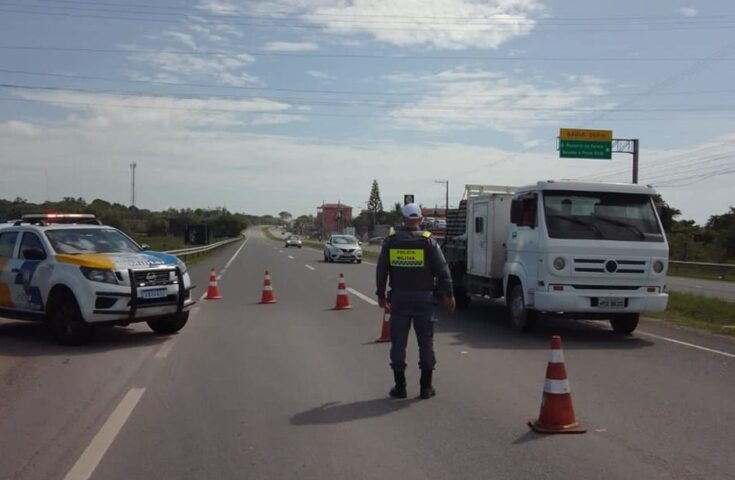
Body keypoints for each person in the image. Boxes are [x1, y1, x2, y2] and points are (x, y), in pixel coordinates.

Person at [376, 203, 455, 400]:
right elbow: (443, 270)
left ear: (403, 219)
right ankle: (425, 388)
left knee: (398, 344)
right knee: (426, 343)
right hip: (424, 301)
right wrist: (449, 294)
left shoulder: (391, 241)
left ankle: (400, 387)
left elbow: (381, 270)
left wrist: (380, 294)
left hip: (399, 300)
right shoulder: (428, 241)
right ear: (420, 220)